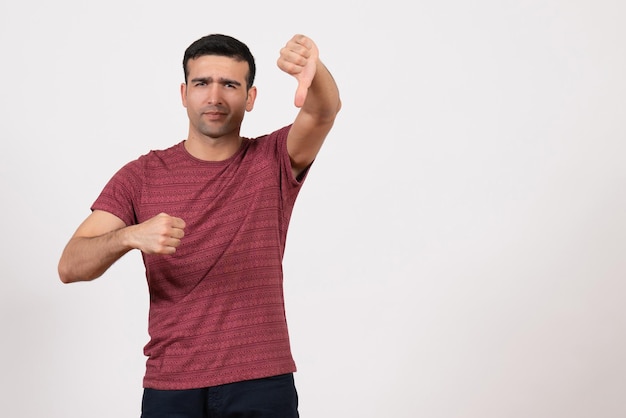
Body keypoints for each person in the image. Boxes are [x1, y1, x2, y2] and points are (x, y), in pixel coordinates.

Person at [58, 33, 341, 418]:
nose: (214, 97)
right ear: (184, 93)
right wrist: (129, 236)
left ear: (251, 97)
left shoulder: (272, 159)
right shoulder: (141, 176)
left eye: (230, 84)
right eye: (202, 83)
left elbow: (323, 111)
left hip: (261, 382)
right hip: (171, 384)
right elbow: (70, 265)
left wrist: (316, 71)